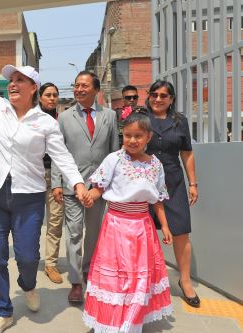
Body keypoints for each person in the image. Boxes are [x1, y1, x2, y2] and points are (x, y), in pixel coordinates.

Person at [0, 17, 87, 333]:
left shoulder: (45, 123)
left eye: (19, 80)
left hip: (29, 197)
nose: (12, 84)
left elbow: (62, 158)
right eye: (10, 80)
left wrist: (78, 183)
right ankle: (2, 310)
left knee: (28, 256)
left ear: (34, 88)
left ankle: (28, 284)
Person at [82, 112, 173, 332]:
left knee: (139, 277)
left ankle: (131, 323)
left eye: (138, 136)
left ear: (148, 137)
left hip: (143, 227)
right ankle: (111, 322)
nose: (132, 140)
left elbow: (158, 200)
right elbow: (99, 187)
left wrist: (166, 227)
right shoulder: (114, 159)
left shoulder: (156, 164)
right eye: (128, 135)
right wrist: (89, 197)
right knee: (117, 277)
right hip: (115, 226)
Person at [51, 71, 118, 303]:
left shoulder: (110, 115)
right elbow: (58, 153)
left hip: (99, 188)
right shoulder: (64, 117)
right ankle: (76, 281)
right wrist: (56, 183)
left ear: (96, 89)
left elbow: (114, 154)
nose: (78, 89)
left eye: (84, 85)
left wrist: (110, 185)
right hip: (71, 187)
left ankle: (89, 269)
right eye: (76, 85)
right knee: (74, 233)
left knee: (94, 233)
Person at [145, 80, 200, 308]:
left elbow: (187, 153)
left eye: (164, 96)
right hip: (143, 182)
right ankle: (144, 282)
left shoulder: (180, 122)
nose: (158, 99)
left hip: (173, 182)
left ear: (171, 99)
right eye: (154, 94)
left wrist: (193, 183)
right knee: (143, 233)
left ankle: (185, 281)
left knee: (180, 232)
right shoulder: (141, 119)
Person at [39, 82, 65, 284]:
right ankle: (30, 259)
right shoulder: (32, 118)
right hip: (34, 175)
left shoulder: (62, 120)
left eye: (55, 95)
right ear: (40, 97)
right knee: (32, 220)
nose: (52, 98)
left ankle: (50, 263)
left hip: (57, 177)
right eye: (48, 94)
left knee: (55, 222)